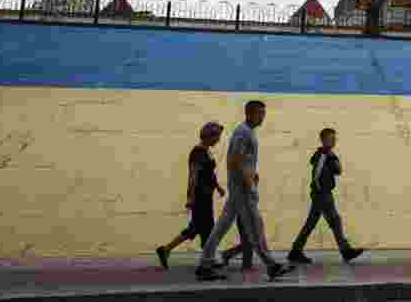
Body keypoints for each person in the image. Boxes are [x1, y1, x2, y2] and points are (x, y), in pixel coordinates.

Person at [195, 100, 295, 282]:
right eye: (260, 113)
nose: (263, 117)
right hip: (242, 190)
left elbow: (243, 161)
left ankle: (205, 263)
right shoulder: (244, 133)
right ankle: (271, 265)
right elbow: (235, 160)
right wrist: (250, 183)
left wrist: (252, 173)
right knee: (255, 227)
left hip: (239, 188)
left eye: (264, 113)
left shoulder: (246, 132)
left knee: (221, 226)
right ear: (250, 114)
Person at [287, 127, 364, 264]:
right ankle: (345, 250)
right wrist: (319, 191)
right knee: (335, 220)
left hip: (323, 194)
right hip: (322, 194)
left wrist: (333, 158)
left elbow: (339, 170)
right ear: (323, 140)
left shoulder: (329, 155)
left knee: (312, 223)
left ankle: (295, 251)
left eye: (334, 138)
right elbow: (316, 175)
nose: (333, 141)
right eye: (330, 138)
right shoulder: (322, 155)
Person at [156, 122, 225, 270]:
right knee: (207, 227)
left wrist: (217, 187)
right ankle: (208, 260)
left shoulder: (206, 151)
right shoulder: (198, 152)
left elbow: (209, 174)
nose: (218, 140)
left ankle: (166, 250)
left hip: (207, 195)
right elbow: (193, 176)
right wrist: (190, 197)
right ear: (208, 136)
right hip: (200, 196)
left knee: (196, 227)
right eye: (217, 136)